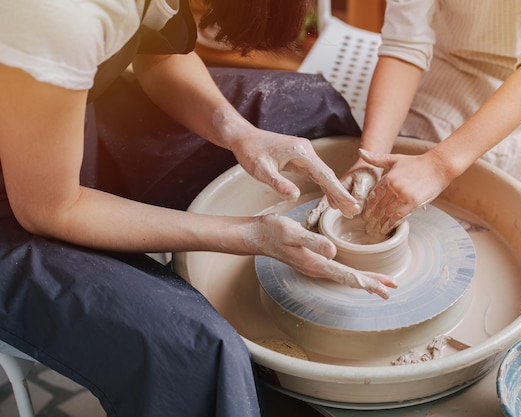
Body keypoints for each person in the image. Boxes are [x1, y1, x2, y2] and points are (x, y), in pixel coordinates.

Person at [0, 1, 397, 416]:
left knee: (311, 111)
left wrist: (239, 132)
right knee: (195, 353)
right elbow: (50, 208)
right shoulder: (64, 15)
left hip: (59, 117)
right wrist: (246, 235)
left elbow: (159, 55)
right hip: (20, 205)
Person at [317, 0, 521, 236]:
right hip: (452, 72)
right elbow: (405, 45)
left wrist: (440, 164)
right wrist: (370, 160)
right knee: (412, 203)